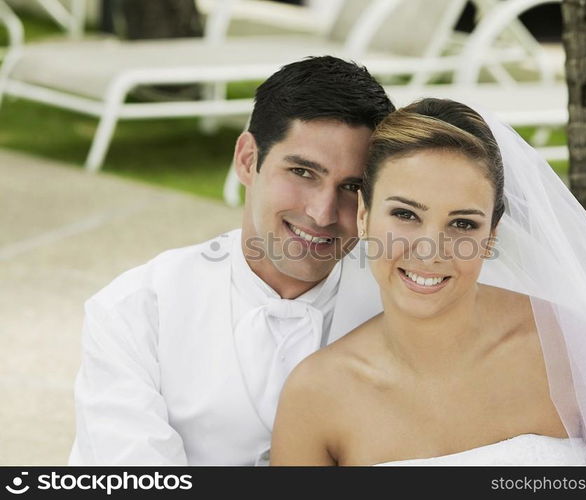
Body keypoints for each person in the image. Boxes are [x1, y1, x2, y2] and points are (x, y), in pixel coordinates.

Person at [270, 98, 586, 465]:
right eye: (405, 214)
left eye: (462, 223)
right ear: (364, 216)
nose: (430, 250)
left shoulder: (569, 347)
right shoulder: (317, 396)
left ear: (491, 236)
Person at [68, 56, 395, 465]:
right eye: (302, 172)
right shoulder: (134, 309)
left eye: (352, 186)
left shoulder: (400, 305)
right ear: (246, 160)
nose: (323, 212)